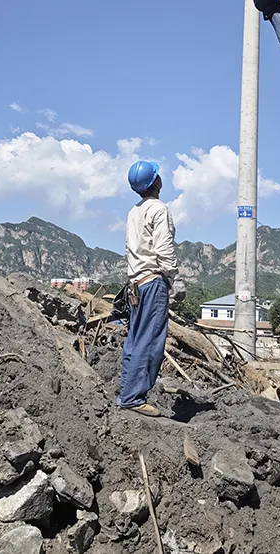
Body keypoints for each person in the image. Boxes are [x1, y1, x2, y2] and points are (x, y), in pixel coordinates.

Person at [116, 160, 185, 417]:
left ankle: (126, 392)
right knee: (151, 342)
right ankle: (133, 398)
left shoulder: (134, 211)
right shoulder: (159, 209)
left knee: (134, 340)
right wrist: (176, 280)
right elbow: (163, 250)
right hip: (153, 282)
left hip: (135, 284)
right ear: (157, 182)